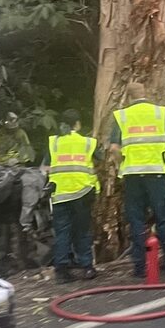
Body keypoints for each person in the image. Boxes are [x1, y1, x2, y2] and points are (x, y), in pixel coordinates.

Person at [110, 82, 165, 278]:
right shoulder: (159, 114)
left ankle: (140, 267)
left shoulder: (122, 116)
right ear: (146, 93)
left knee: (137, 221)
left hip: (132, 177)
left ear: (128, 97)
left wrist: (123, 164)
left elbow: (113, 149)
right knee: (164, 219)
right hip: (157, 175)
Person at [42, 109, 101, 283]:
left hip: (60, 195)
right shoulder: (87, 142)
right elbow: (101, 157)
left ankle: (61, 271)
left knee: (62, 232)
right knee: (82, 231)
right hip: (82, 193)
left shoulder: (54, 143)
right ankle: (87, 268)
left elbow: (45, 167)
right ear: (78, 124)